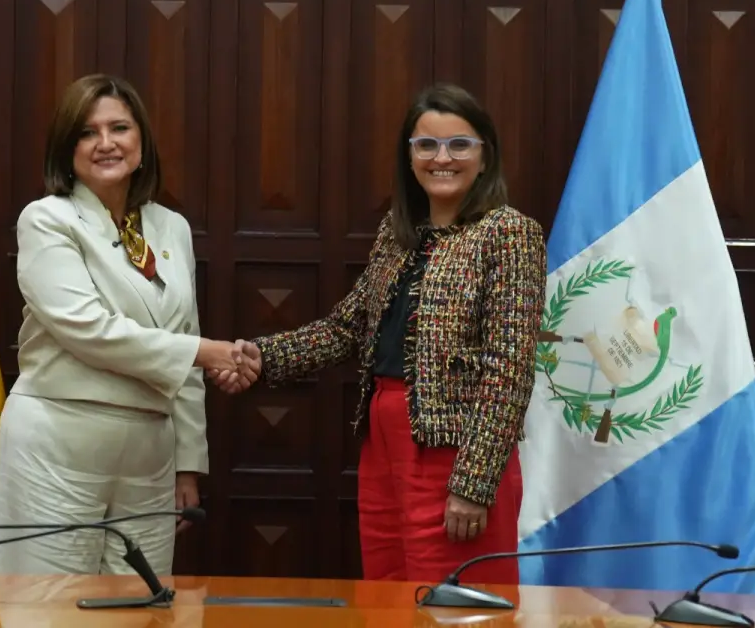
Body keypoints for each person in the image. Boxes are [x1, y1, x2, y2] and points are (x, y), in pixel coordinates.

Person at [228, 83, 547, 584]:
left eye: (459, 144)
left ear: (485, 156)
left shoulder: (508, 233)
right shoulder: (397, 234)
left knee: (455, 605)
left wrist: (474, 481)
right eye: (427, 145)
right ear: (409, 157)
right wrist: (260, 356)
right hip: (383, 447)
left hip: (454, 450)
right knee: (388, 593)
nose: (442, 158)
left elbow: (510, 368)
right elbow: (346, 328)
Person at [0, 73, 249, 576]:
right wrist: (205, 352)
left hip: (150, 455)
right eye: (87, 133)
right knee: (47, 605)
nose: (105, 143)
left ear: (142, 142)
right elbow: (87, 328)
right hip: (59, 443)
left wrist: (188, 463)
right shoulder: (46, 219)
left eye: (119, 128)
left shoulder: (171, 227)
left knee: (139, 603)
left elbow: (185, 337)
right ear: (67, 150)